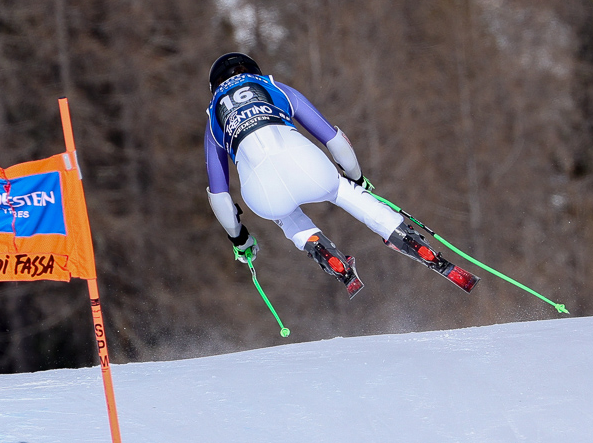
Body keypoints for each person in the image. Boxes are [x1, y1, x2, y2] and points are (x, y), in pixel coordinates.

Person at [203, 52, 477, 296]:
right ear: (254, 70)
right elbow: (334, 140)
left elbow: (219, 196)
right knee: (342, 190)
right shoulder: (273, 86)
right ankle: (406, 238)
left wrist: (240, 239)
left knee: (284, 214)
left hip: (262, 194)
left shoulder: (214, 116)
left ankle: (322, 251)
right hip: (309, 167)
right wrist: (356, 177)